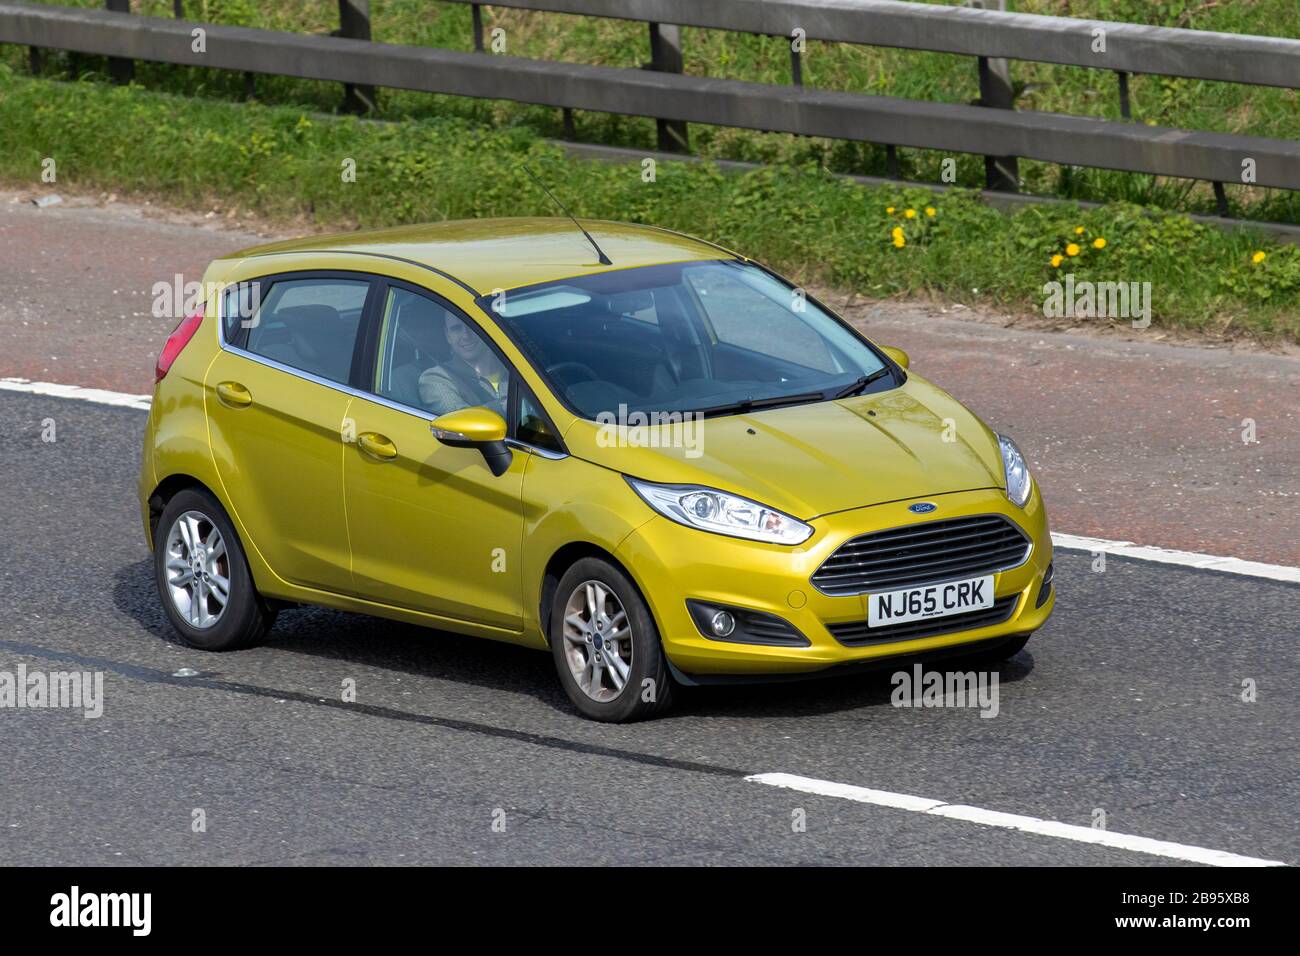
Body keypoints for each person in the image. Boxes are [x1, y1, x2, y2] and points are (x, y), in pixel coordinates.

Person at [418, 313, 509, 416]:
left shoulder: (515, 367)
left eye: (473, 325)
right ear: (448, 336)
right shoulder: (435, 378)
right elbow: (459, 421)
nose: (466, 335)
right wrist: (516, 404)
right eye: (456, 329)